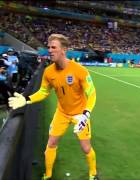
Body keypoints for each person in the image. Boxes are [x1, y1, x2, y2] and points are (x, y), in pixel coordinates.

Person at [8, 34, 99, 180]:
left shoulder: (79, 70)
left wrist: (85, 114)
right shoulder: (48, 72)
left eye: (53, 47)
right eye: (49, 47)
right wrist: (26, 99)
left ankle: (93, 174)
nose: (50, 50)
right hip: (62, 113)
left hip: (80, 115)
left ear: (64, 50)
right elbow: (43, 92)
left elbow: (92, 94)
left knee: (86, 147)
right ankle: (48, 175)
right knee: (51, 144)